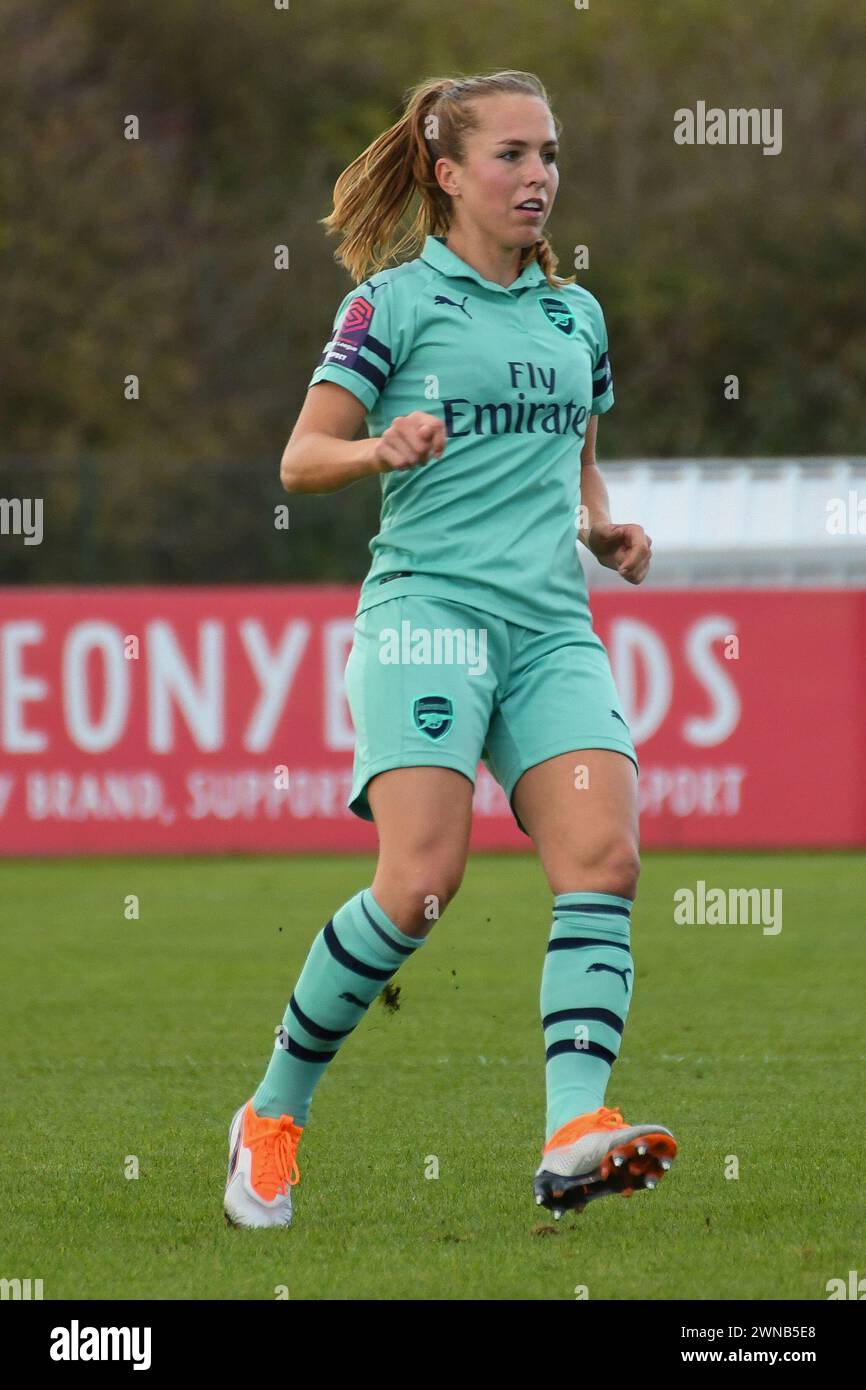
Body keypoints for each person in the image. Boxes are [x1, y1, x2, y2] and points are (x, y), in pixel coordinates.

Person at [224, 69, 677, 1229]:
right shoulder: (392, 303)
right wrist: (381, 449)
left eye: (549, 155)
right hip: (427, 616)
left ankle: (576, 1126)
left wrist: (602, 529)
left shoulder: (575, 314)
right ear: (446, 173)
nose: (538, 178)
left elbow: (576, 463)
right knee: (420, 885)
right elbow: (299, 459)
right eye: (511, 156)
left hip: (547, 628)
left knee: (604, 856)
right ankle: (272, 1115)